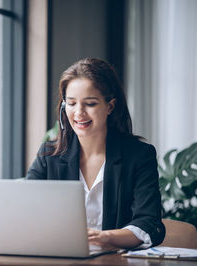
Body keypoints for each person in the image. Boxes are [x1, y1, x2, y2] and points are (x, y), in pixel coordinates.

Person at [26, 58, 165, 249]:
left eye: (90, 104)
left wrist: (105, 237)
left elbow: (150, 224)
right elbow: (25, 211)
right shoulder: (49, 155)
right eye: (72, 103)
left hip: (114, 261)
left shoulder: (139, 156)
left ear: (110, 106)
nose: (79, 113)